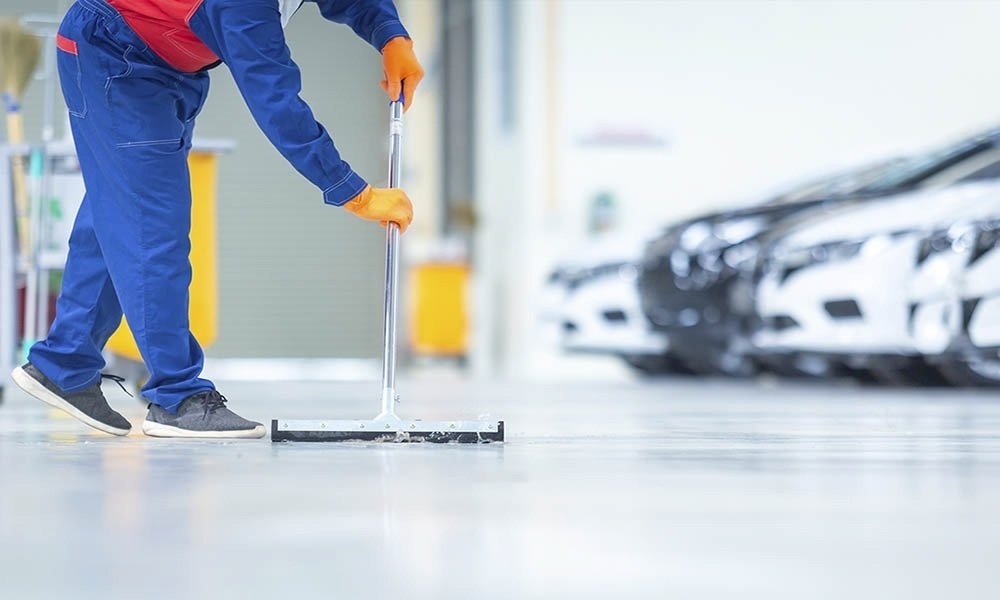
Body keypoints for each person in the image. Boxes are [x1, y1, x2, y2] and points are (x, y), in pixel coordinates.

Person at [10, 0, 423, 439]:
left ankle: (66, 362)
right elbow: (275, 101)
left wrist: (390, 33)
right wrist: (354, 193)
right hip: (115, 55)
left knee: (121, 213)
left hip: (161, 66)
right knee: (153, 228)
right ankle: (177, 396)